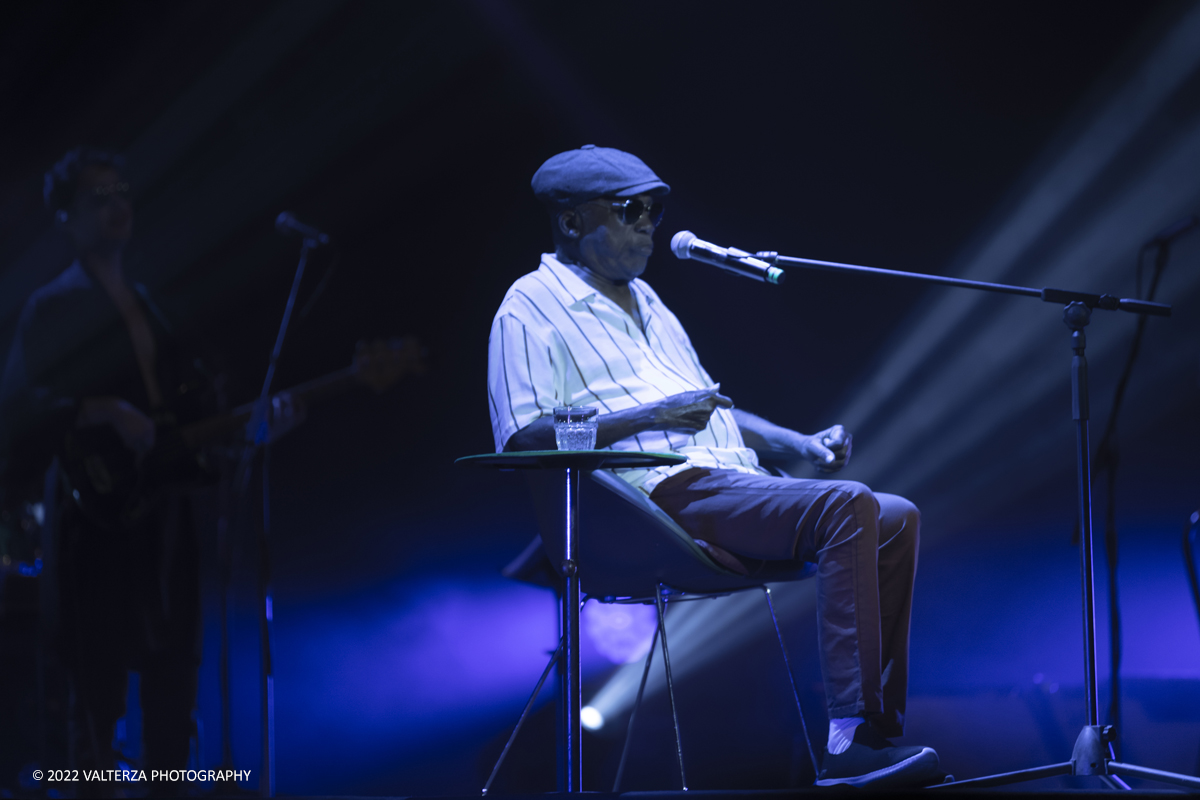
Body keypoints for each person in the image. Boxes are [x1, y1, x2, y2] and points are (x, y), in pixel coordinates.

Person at [487, 145, 940, 788]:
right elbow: (523, 435)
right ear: (571, 223)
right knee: (849, 504)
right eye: (630, 210)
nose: (650, 224)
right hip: (656, 498)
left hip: (729, 485)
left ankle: (878, 739)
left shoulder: (650, 303)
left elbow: (708, 409)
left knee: (895, 516)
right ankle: (849, 743)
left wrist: (800, 444)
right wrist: (648, 418)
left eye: (655, 210)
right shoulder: (529, 307)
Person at [0, 148, 250, 792]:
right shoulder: (52, 307)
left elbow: (187, 408)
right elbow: (20, 413)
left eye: (122, 193)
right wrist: (100, 410)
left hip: (161, 515)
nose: (117, 206)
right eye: (98, 197)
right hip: (95, 521)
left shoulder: (150, 302)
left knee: (172, 683)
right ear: (66, 217)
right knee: (97, 690)